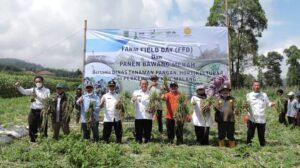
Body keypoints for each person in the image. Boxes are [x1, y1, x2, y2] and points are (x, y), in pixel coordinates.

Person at [15, 76, 50, 142]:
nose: (38, 83)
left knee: (43, 126)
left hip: (43, 111)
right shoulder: (33, 89)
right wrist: (19, 86)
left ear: (43, 82)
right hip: (33, 111)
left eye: (39, 81)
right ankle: (33, 140)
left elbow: (46, 100)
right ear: (34, 82)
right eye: (36, 82)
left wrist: (37, 96)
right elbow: (24, 92)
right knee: (31, 125)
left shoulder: (47, 90)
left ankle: (44, 141)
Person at [246, 81, 275, 146]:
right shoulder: (249, 95)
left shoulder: (264, 95)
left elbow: (268, 103)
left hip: (261, 118)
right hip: (252, 118)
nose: (257, 87)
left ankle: (262, 145)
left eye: (258, 85)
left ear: (260, 87)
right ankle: (249, 145)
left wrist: (272, 104)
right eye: (255, 85)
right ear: (252, 87)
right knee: (250, 133)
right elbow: (246, 105)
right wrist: (246, 107)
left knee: (261, 134)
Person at [132, 79, 153, 143]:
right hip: (139, 115)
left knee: (148, 130)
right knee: (138, 130)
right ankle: (138, 140)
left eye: (145, 84)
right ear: (140, 85)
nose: (144, 85)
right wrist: (133, 100)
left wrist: (153, 111)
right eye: (142, 84)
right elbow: (132, 102)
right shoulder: (136, 92)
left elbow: (154, 104)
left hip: (148, 116)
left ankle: (147, 140)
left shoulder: (151, 93)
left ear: (147, 85)